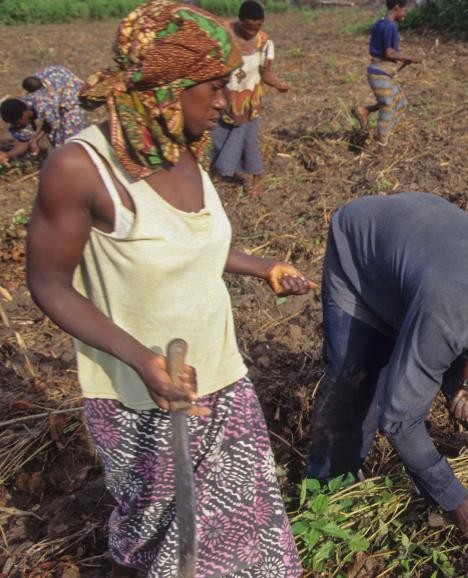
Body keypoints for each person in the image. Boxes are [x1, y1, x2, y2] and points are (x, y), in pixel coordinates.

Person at [25, 2, 313, 575]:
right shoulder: (81, 168)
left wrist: (261, 267)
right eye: (213, 86)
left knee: (250, 543)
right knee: (167, 543)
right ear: (166, 87)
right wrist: (142, 360)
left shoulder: (179, 145)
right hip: (141, 398)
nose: (227, 103)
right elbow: (49, 285)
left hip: (221, 380)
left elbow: (185, 245)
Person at [307, 192, 468, 534]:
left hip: (429, 259)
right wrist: (453, 497)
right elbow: (400, 419)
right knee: (356, 382)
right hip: (362, 261)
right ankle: (328, 498)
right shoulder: (448, 312)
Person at [210, 0, 289, 196]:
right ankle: (216, 173)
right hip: (224, 98)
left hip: (248, 101)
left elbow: (266, 72)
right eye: (247, 28)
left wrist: (278, 84)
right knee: (217, 137)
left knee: (250, 141)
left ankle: (257, 180)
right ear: (239, 21)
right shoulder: (224, 36)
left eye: (257, 28)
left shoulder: (264, 43)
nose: (252, 32)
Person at [350, 0, 421, 156]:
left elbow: (385, 52)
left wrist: (403, 58)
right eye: (404, 9)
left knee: (401, 101)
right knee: (388, 107)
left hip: (381, 71)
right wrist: (411, 57)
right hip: (379, 74)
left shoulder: (380, 23)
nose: (405, 13)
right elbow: (389, 53)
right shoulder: (390, 26)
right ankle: (382, 147)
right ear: (396, 8)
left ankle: (365, 110)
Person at [0, 65, 89, 164]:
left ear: (24, 113)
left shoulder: (42, 104)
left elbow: (52, 124)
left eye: (17, 123)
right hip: (51, 86)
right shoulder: (19, 112)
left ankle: (81, 163)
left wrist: (35, 139)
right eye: (15, 124)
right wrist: (6, 155)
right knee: (58, 144)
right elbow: (23, 140)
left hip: (67, 88)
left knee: (69, 140)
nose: (17, 125)